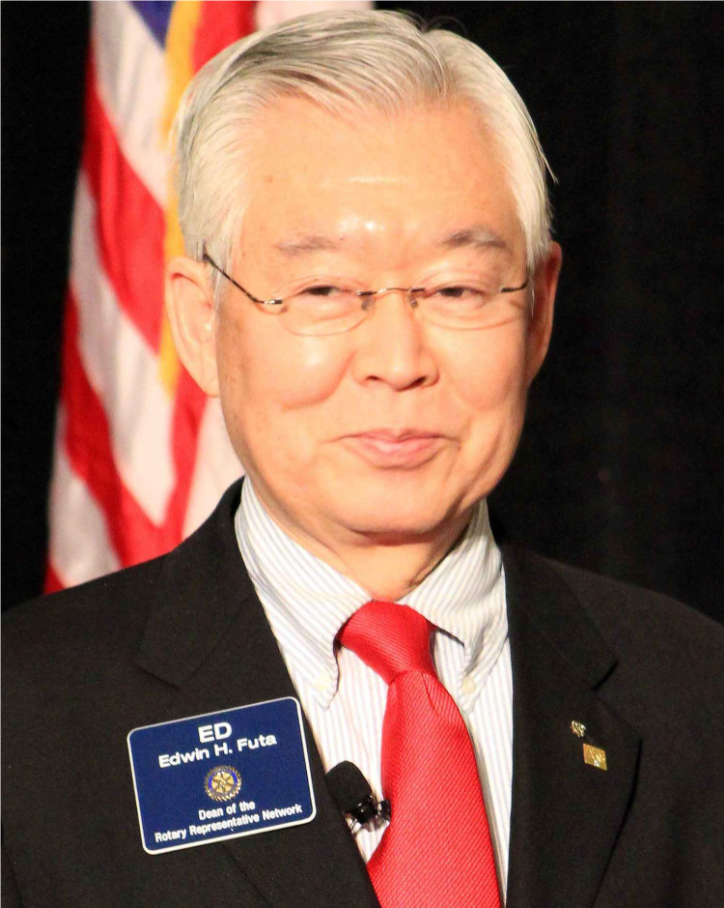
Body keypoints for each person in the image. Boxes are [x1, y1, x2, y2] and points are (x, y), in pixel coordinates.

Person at [1, 10, 723, 907]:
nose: (397, 359)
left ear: (538, 311)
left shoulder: (697, 699)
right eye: (324, 290)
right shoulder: (25, 721)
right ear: (200, 321)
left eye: (456, 289)